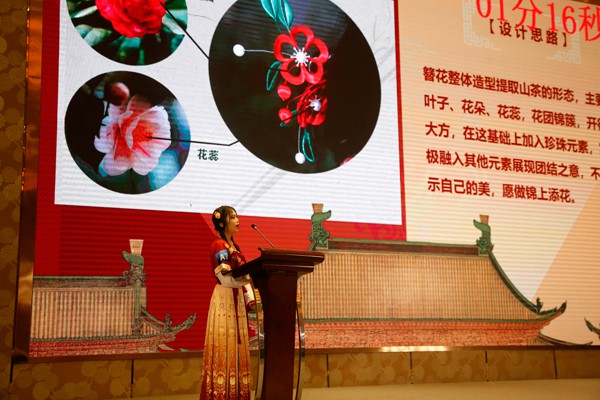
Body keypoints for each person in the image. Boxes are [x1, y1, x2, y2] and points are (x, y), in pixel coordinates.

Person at [200, 206, 255, 400]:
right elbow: (225, 278)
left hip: (236, 298)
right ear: (222, 223)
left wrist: (249, 295)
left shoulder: (234, 246)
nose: (237, 220)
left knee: (236, 345)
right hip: (225, 297)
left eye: (237, 216)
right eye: (232, 217)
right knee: (225, 345)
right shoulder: (219, 245)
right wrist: (249, 279)